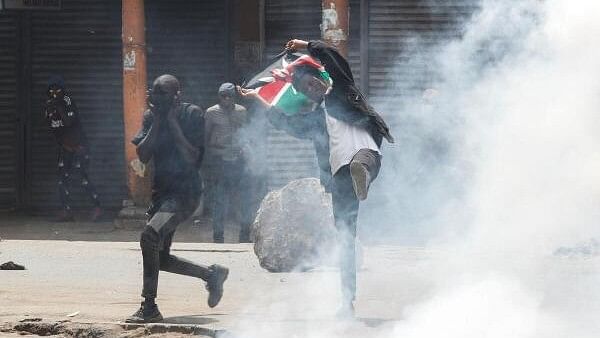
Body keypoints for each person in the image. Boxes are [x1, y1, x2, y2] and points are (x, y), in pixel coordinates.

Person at [238, 39, 394, 317]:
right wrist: (260, 100)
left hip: (364, 154)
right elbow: (285, 122)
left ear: (319, 77)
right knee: (346, 238)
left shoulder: (343, 90)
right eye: (304, 90)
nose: (311, 90)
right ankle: (347, 302)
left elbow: (336, 60)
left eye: (311, 83)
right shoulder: (314, 120)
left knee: (364, 159)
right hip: (340, 177)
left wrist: (308, 45)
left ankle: (363, 175)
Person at [127, 74, 229, 323]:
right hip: (161, 194)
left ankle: (148, 307)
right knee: (159, 257)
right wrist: (159, 122)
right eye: (155, 93)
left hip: (185, 193)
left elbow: (193, 158)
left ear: (177, 95)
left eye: (163, 93)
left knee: (149, 235)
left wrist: (172, 122)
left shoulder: (193, 114)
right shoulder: (152, 117)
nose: (157, 98)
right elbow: (143, 154)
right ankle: (211, 275)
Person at [43, 76, 102, 222]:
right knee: (62, 180)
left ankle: (97, 207)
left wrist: (58, 107)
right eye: (51, 90)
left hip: (79, 146)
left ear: (63, 90)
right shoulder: (48, 106)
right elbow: (52, 127)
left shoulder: (67, 102)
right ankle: (66, 211)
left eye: (57, 89)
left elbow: (69, 122)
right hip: (65, 147)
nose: (54, 93)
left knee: (84, 178)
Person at [204, 83, 249, 243]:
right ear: (219, 96)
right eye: (223, 96)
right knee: (220, 199)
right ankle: (218, 236)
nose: (226, 99)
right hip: (219, 160)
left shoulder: (241, 111)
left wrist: (245, 149)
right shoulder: (211, 113)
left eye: (229, 96)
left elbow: (245, 133)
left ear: (234, 97)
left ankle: (244, 235)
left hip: (237, 159)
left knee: (241, 198)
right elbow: (206, 137)